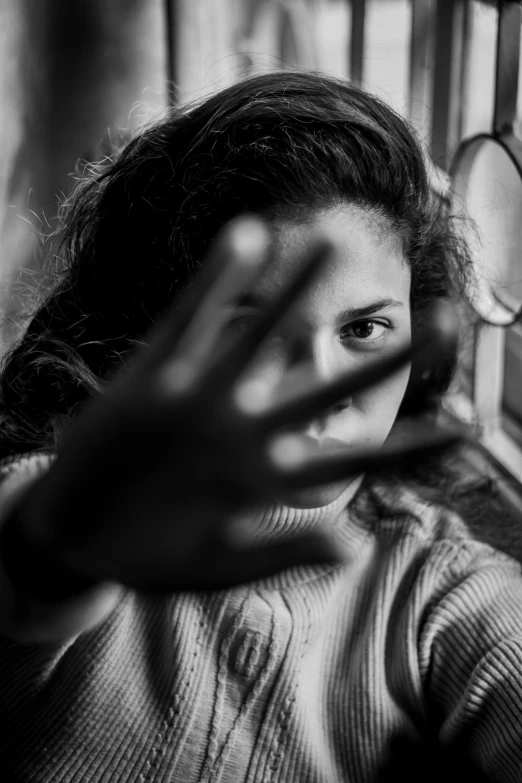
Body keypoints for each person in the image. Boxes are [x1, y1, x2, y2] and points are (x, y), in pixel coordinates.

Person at [0, 70, 519, 782]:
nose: (321, 385)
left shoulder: (445, 599)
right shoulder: (90, 507)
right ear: (162, 333)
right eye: (257, 328)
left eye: (366, 327)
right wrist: (56, 551)